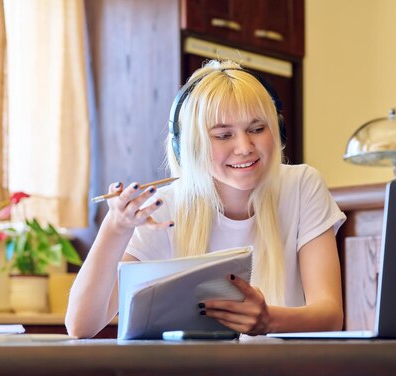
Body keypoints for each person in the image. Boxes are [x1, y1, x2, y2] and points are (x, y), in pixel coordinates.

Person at [65, 60, 346, 339]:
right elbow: (81, 326)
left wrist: (268, 319)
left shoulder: (302, 185)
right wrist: (115, 228)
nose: (245, 147)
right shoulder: (163, 208)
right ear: (189, 145)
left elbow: (330, 315)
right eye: (224, 135)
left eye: (257, 129)